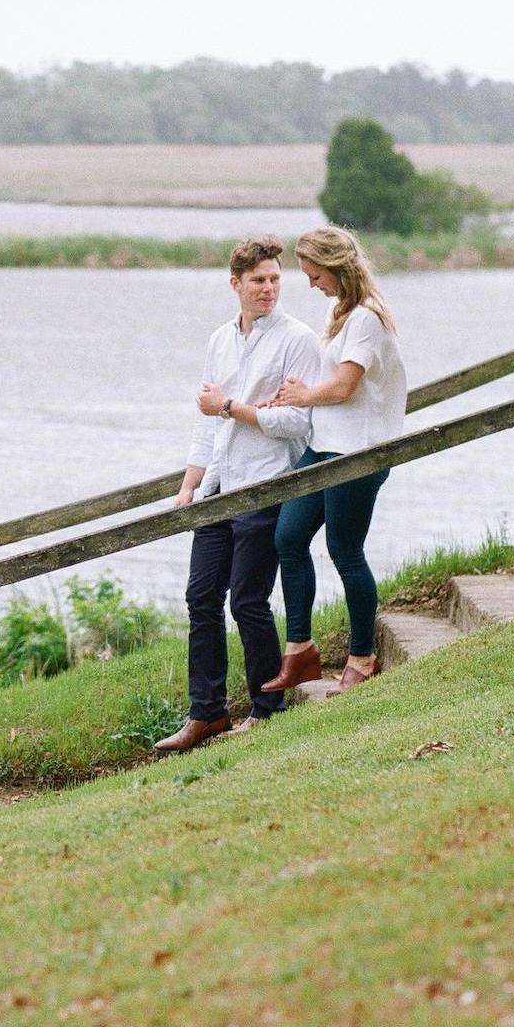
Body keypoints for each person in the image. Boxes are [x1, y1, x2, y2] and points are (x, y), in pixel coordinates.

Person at [151, 236, 322, 755]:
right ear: (236, 285)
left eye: (275, 279)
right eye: (258, 281)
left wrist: (231, 407)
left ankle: (267, 709)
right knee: (201, 599)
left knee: (248, 600)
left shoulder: (299, 340)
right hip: (218, 487)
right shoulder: (219, 341)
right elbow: (206, 424)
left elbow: (297, 420)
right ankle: (206, 714)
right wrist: (188, 487)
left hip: (266, 483)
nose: (269, 288)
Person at [259, 224, 410, 700]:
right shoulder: (339, 310)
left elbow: (346, 386)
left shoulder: (366, 317)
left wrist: (306, 395)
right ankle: (301, 652)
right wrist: (292, 396)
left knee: (346, 552)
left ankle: (363, 658)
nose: (311, 284)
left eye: (314, 274)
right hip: (323, 445)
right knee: (288, 537)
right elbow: (331, 380)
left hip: (357, 453)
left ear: (335, 266)